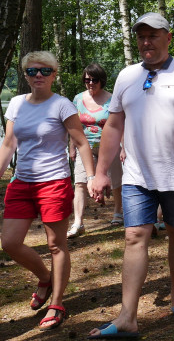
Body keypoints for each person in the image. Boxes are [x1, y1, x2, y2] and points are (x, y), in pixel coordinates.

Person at [89, 12, 174, 338]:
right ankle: (127, 316)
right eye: (142, 36)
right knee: (134, 236)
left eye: (153, 35)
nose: (146, 42)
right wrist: (101, 171)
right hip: (136, 174)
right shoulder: (126, 76)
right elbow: (114, 125)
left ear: (168, 37)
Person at [0, 51, 96, 331]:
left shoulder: (62, 105)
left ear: (54, 74)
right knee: (10, 243)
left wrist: (90, 177)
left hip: (53, 183)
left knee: (56, 245)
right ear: (25, 76)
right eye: (32, 71)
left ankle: (56, 303)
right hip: (21, 183)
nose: (38, 75)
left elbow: (81, 143)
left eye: (44, 70)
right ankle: (44, 277)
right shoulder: (17, 104)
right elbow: (8, 145)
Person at [67, 64, 124, 238]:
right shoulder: (78, 99)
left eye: (94, 80)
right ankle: (78, 222)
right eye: (87, 80)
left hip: (110, 147)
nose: (90, 83)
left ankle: (118, 212)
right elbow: (73, 125)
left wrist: (124, 148)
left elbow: (120, 124)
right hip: (85, 147)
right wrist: (71, 146)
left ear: (102, 80)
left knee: (116, 181)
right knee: (80, 182)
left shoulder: (112, 99)